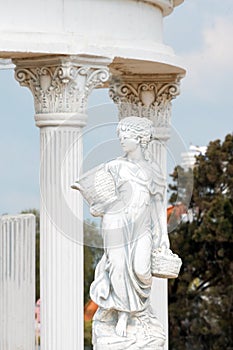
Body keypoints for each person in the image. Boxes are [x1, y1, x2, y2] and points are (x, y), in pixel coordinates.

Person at [89, 116, 170, 339]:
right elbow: (101, 196)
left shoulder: (153, 171)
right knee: (117, 266)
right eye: (120, 136)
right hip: (116, 226)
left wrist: (163, 236)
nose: (122, 140)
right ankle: (124, 314)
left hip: (141, 229)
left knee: (142, 270)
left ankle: (139, 313)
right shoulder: (114, 167)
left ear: (140, 139)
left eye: (126, 136)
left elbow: (157, 206)